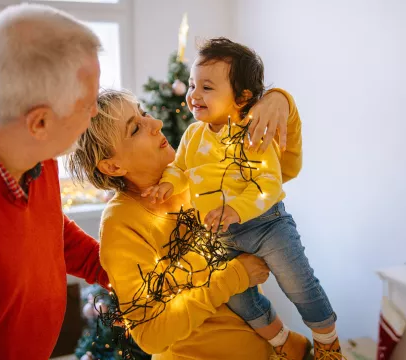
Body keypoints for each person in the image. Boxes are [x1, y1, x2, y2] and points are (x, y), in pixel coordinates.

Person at [143, 38, 343, 360]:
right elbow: (181, 168)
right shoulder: (193, 135)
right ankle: (281, 343)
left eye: (207, 87)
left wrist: (236, 209)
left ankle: (327, 341)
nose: (194, 95)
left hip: (266, 225)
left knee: (298, 284)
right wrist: (169, 183)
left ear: (242, 97)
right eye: (193, 84)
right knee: (241, 300)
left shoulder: (253, 132)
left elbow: (268, 183)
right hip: (220, 233)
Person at [66, 86, 298, 360]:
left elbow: (281, 169)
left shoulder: (196, 165)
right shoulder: (121, 223)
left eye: (145, 114)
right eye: (135, 129)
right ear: (113, 167)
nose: (156, 124)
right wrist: (233, 277)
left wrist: (283, 105)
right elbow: (151, 336)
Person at [0, 4, 110, 359]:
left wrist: (114, 267)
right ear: (39, 123)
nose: (95, 113)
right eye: (87, 104)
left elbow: (48, 233)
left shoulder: (38, 154)